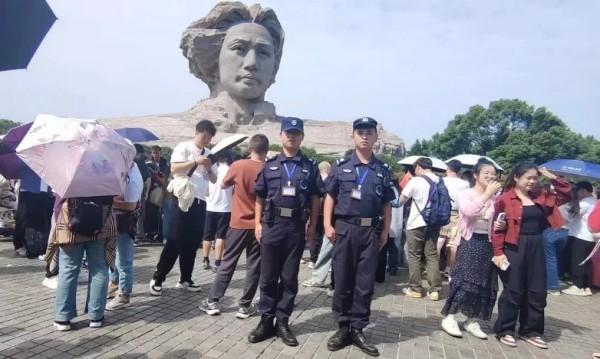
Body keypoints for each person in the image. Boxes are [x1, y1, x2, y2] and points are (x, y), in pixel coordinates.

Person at [323, 117, 394, 357]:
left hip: (371, 233)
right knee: (343, 280)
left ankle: (358, 328)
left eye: (369, 132)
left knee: (365, 284)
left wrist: (385, 231)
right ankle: (343, 327)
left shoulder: (383, 171)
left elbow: (387, 203)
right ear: (353, 136)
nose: (364, 136)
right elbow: (330, 196)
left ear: (376, 137)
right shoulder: (341, 166)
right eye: (360, 132)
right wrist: (326, 224)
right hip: (345, 229)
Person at [248, 118, 319, 346]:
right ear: (280, 135)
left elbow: (315, 200)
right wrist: (257, 224)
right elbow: (259, 196)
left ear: (302, 137)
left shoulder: (310, 167)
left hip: (296, 228)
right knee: (268, 278)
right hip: (272, 226)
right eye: (288, 132)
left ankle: (282, 322)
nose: (292, 136)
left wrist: (312, 226)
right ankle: (266, 321)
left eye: (296, 133)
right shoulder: (269, 165)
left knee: (289, 279)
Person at [492, 163, 571, 349]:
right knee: (514, 289)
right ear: (517, 178)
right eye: (528, 178)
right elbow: (497, 229)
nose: (532, 181)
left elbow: (566, 193)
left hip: (537, 245)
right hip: (514, 247)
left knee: (537, 290)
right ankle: (505, 329)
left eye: (535, 178)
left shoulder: (541, 196)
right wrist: (498, 252)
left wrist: (552, 177)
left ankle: (531, 331)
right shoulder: (505, 199)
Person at [199, 134, 269, 319]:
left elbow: (223, 185)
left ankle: (213, 301)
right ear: (266, 150)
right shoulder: (269, 168)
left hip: (238, 222)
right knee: (254, 266)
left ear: (249, 149)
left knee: (228, 262)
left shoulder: (238, 165)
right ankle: (244, 306)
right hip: (259, 225)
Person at [148, 120, 217, 296]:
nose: (206, 141)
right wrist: (195, 161)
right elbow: (174, 168)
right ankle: (158, 277)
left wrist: (208, 169)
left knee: (193, 243)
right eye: (204, 136)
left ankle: (185, 278)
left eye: (209, 138)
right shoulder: (184, 147)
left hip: (200, 202)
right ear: (197, 132)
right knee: (174, 240)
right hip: (182, 201)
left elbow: (214, 180)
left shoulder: (209, 153)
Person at [440, 158, 502, 339]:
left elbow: (496, 218)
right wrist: (487, 195)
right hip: (469, 240)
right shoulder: (465, 193)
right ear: (476, 175)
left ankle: (472, 319)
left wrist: (501, 224)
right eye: (486, 174)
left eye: (493, 174)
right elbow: (468, 211)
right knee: (464, 279)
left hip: (488, 243)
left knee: (484, 282)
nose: (491, 177)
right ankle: (450, 317)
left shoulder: (497, 197)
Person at [50, 195, 116, 331]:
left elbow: (59, 199)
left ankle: (63, 318)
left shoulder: (70, 175)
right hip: (100, 224)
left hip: (71, 223)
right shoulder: (107, 176)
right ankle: (96, 316)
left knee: (68, 270)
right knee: (99, 269)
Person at [399, 157, 444, 301]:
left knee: (414, 256)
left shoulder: (416, 181)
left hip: (416, 224)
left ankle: (416, 288)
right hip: (434, 224)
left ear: (418, 167)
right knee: (431, 256)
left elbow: (402, 200)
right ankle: (434, 290)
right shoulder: (440, 180)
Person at [106, 161, 144, 310]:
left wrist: (112, 202)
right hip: (115, 219)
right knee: (114, 254)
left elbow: (130, 205)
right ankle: (114, 283)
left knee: (124, 259)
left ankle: (124, 294)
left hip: (124, 221)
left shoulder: (133, 176)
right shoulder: (122, 169)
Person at [562, 181, 597, 296]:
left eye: (577, 191)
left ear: (583, 190)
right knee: (586, 262)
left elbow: (571, 214)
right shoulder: (594, 202)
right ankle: (587, 286)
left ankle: (578, 285)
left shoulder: (584, 203)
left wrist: (572, 203)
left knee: (577, 261)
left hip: (580, 236)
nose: (576, 193)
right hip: (590, 237)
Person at [201, 153, 233, 272]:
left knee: (207, 235)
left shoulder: (214, 170)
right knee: (221, 236)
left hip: (210, 207)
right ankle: (217, 262)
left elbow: (206, 191)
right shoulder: (231, 171)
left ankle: (205, 259)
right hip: (225, 208)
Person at [437, 159, 469, 274]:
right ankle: (449, 269)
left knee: (439, 241)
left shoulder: (441, 180)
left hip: (440, 213)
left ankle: (433, 268)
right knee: (453, 243)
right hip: (456, 214)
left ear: (448, 168)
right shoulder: (465, 184)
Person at [305, 161, 331, 268]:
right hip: (328, 212)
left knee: (316, 235)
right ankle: (325, 262)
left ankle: (312, 259)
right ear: (328, 169)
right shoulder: (330, 178)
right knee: (326, 237)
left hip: (316, 211)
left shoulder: (314, 177)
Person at [145, 146, 170, 242]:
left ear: (161, 153)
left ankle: (160, 233)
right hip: (152, 191)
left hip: (163, 190)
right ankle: (150, 233)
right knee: (151, 212)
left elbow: (168, 175)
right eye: (153, 153)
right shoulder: (149, 164)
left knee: (161, 213)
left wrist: (160, 176)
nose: (155, 155)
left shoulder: (166, 164)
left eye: (157, 153)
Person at [133, 144, 151, 244]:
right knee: (139, 214)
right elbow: (148, 179)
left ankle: (138, 235)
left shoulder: (129, 163)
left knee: (135, 213)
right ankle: (139, 235)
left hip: (131, 193)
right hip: (140, 193)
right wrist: (147, 192)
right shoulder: (141, 163)